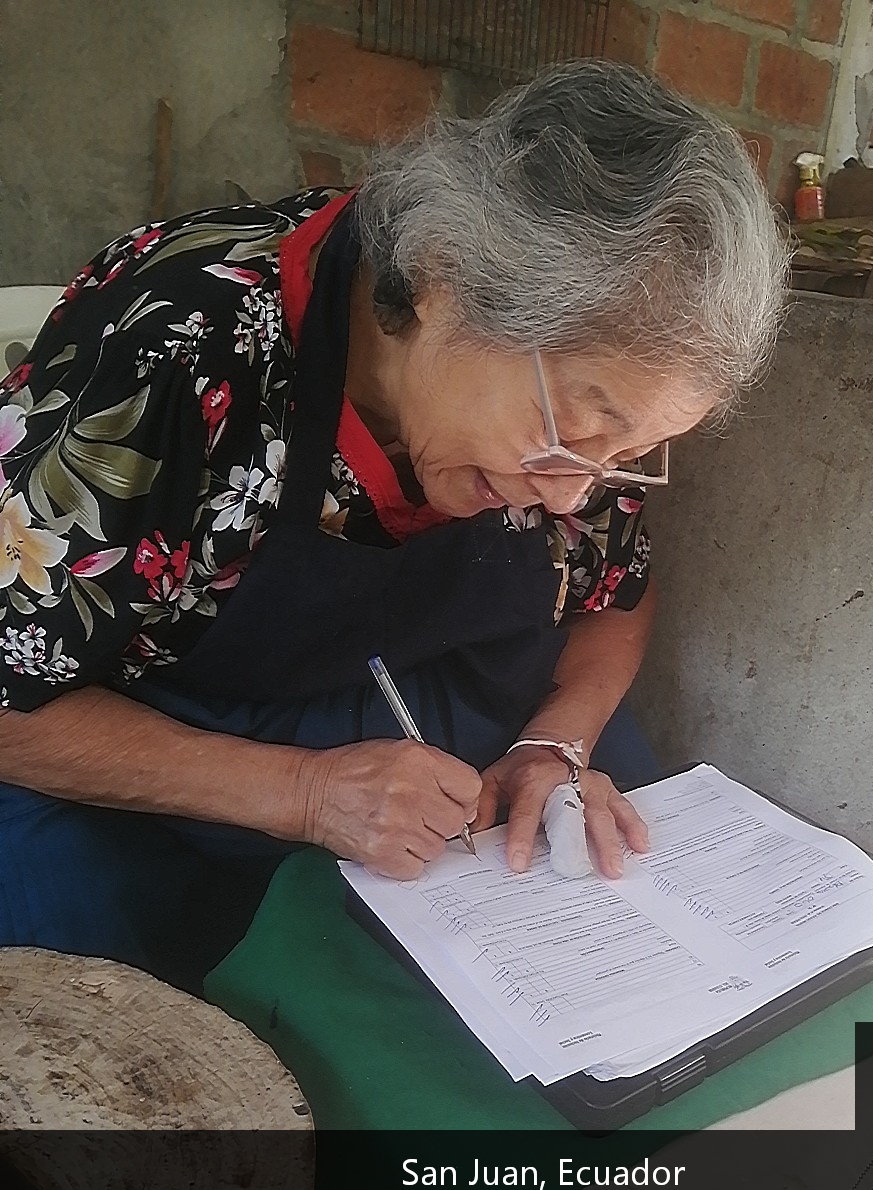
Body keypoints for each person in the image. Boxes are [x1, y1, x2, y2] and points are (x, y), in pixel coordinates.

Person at [0, 61, 787, 991]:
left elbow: (616, 591)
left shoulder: (578, 425)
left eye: (626, 454)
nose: (573, 496)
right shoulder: (179, 345)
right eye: (576, 428)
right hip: (156, 772)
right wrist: (305, 792)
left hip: (453, 746)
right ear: (444, 277)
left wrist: (557, 741)